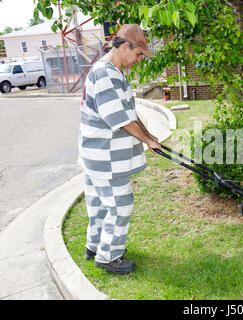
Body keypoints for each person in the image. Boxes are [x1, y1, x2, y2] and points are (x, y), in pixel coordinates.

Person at [78, 24, 161, 274]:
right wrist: (147, 141)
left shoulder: (113, 71)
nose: (139, 60)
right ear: (126, 46)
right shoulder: (105, 74)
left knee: (99, 205)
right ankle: (109, 256)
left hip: (96, 155)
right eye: (138, 55)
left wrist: (149, 136)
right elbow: (121, 120)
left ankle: (94, 246)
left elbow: (129, 112)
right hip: (104, 157)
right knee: (120, 204)